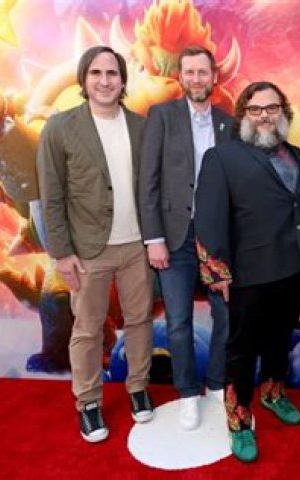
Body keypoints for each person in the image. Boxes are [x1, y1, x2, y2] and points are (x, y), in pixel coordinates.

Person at [37, 45, 154, 443]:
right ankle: (88, 401)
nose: (105, 81)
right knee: (87, 329)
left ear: (122, 80)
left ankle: (138, 387)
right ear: (84, 80)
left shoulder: (141, 126)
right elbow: (51, 196)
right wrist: (62, 253)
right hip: (88, 250)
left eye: (112, 73)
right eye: (96, 73)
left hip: (136, 246)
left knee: (140, 320)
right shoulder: (60, 128)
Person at [194, 81, 300, 463]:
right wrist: (218, 273)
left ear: (283, 113)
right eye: (256, 109)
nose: (264, 116)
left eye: (272, 108)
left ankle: (273, 394)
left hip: (291, 270)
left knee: (280, 340)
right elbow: (209, 220)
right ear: (244, 115)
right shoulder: (222, 157)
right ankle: (239, 420)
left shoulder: (299, 157)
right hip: (246, 276)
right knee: (241, 352)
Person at [138, 45, 233, 430]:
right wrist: (153, 238)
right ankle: (188, 393)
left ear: (214, 77)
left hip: (217, 239)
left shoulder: (229, 123)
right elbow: (148, 181)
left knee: (226, 315)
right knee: (178, 321)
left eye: (203, 72)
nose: (196, 79)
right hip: (174, 237)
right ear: (180, 77)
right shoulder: (161, 116)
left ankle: (216, 384)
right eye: (190, 72)